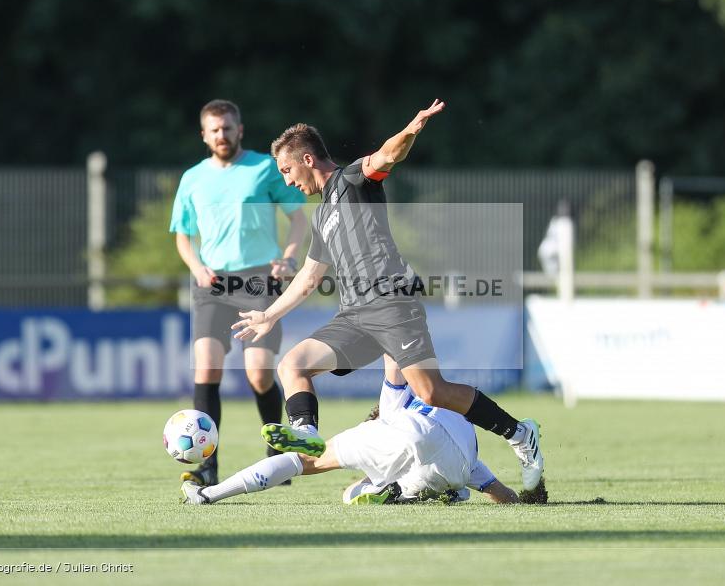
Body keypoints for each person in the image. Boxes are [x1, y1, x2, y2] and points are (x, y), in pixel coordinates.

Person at [231, 99, 544, 491]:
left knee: (433, 391)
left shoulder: (351, 181)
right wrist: (270, 315)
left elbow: (385, 156)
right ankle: (306, 431)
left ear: (307, 158)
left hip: (392, 304)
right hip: (355, 317)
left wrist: (412, 129)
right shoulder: (322, 215)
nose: (287, 181)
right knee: (291, 365)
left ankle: (520, 434)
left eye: (287, 170)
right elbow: (309, 277)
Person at [170, 99, 307, 484]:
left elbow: (297, 218)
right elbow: (183, 236)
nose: (222, 135)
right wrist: (197, 268)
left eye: (228, 128)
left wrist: (290, 258)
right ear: (204, 135)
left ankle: (277, 454)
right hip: (212, 283)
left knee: (259, 375)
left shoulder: (264, 168)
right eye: (214, 130)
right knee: (207, 367)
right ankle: (208, 467)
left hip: (260, 280)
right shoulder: (193, 178)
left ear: (239, 129)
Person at [181, 358, 519, 505]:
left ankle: (210, 495)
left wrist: (393, 314)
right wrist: (525, 498)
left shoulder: (395, 403)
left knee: (305, 463)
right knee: (433, 478)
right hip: (458, 462)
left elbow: (393, 362)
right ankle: (423, 491)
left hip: (407, 432)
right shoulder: (447, 405)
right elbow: (502, 493)